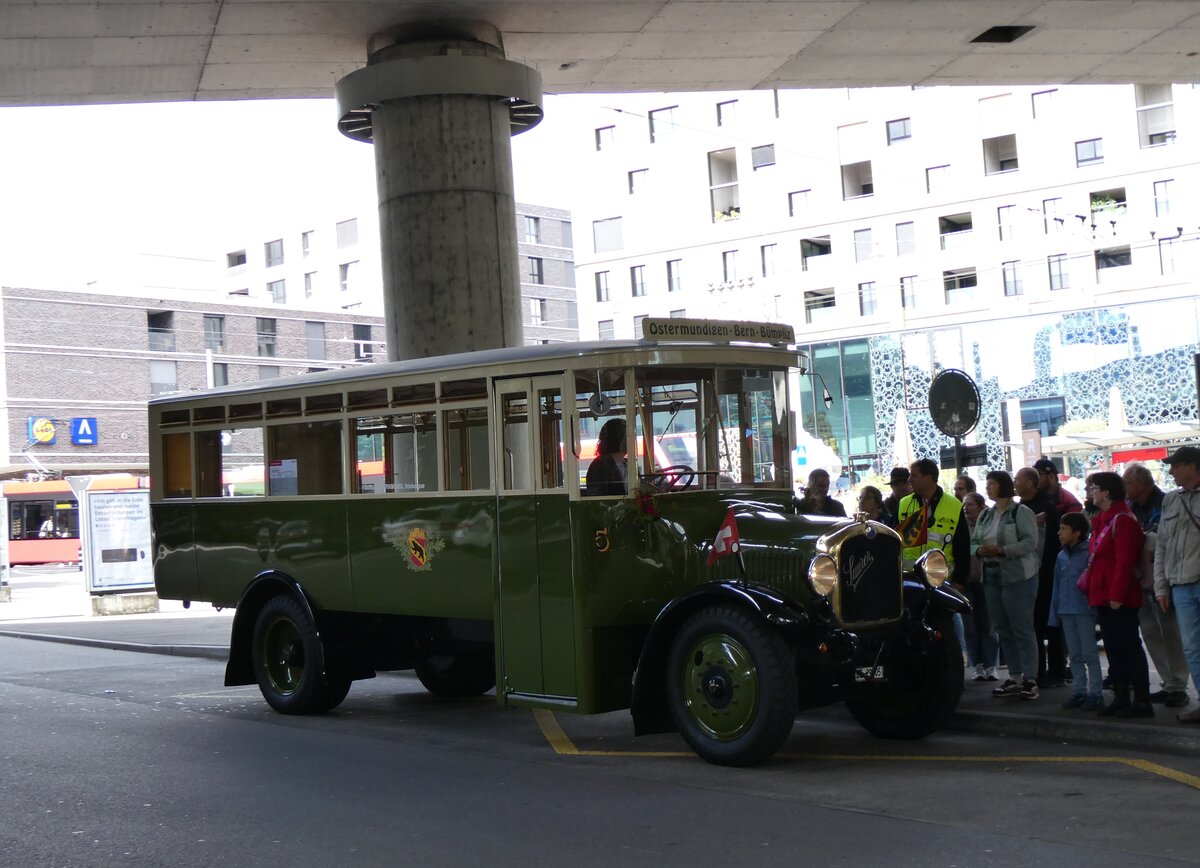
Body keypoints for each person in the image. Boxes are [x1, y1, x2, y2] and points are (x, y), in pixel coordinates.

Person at [1085, 471, 1152, 718]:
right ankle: (1121, 696)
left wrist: (1116, 594)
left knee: (1129, 646)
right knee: (1114, 646)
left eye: (1094, 487)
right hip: (1103, 593)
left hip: (1118, 595)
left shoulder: (1122, 519)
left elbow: (1125, 561)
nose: (1090, 492)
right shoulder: (1103, 518)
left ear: (1107, 492)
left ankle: (1142, 700)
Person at [1123, 462, 1189, 708]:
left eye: (1128, 482)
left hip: (1162, 579)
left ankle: (1179, 686)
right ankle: (1169, 682)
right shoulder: (1130, 507)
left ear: (1141, 482)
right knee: (1151, 634)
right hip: (1140, 580)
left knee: (1171, 634)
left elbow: (1164, 540)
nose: (1125, 487)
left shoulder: (1165, 502)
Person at [972, 470, 1041, 700]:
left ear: (1002, 486)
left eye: (991, 483)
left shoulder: (1021, 512)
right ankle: (1015, 675)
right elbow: (974, 542)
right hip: (991, 576)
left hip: (1017, 576)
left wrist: (1002, 550)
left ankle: (1030, 678)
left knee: (1021, 628)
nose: (988, 487)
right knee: (1003, 628)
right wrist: (979, 551)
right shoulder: (985, 516)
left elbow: (1030, 542)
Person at [1153, 445, 1200, 723]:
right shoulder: (1171, 500)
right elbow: (1162, 547)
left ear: (1191, 467)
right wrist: (1161, 586)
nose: (1171, 471)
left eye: (1175, 465)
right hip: (1180, 586)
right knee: (1192, 648)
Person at [1015, 466, 1068, 689]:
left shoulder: (1046, 507)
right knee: (1032, 622)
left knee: (1050, 621)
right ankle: (1036, 669)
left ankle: (1056, 670)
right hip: (1027, 572)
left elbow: (1055, 540)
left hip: (1046, 572)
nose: (1015, 482)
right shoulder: (1018, 508)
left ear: (1031, 483)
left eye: (1018, 479)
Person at [1049, 512, 1102, 710]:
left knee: (1089, 653)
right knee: (1075, 654)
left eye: (1064, 529)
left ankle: (1095, 693)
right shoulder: (1061, 556)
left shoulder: (1089, 553)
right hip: (1066, 609)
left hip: (1084, 610)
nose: (1059, 532)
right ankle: (1080, 691)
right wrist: (1054, 612)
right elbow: (1057, 585)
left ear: (1077, 533)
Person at [896, 458, 970, 581]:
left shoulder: (954, 505)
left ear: (928, 478)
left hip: (943, 582)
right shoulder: (904, 503)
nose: (909, 480)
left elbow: (962, 548)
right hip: (910, 581)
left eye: (914, 476)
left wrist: (960, 581)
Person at [960, 491, 999, 681]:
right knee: (970, 626)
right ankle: (976, 665)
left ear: (981, 506)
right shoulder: (960, 527)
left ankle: (991, 665)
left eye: (970, 505)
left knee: (988, 625)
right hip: (966, 581)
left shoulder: (987, 524)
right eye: (964, 505)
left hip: (985, 580)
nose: (966, 508)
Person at [585, 418, 627, 497]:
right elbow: (596, 498)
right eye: (627, 436)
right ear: (617, 439)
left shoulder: (629, 463)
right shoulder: (598, 466)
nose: (632, 440)